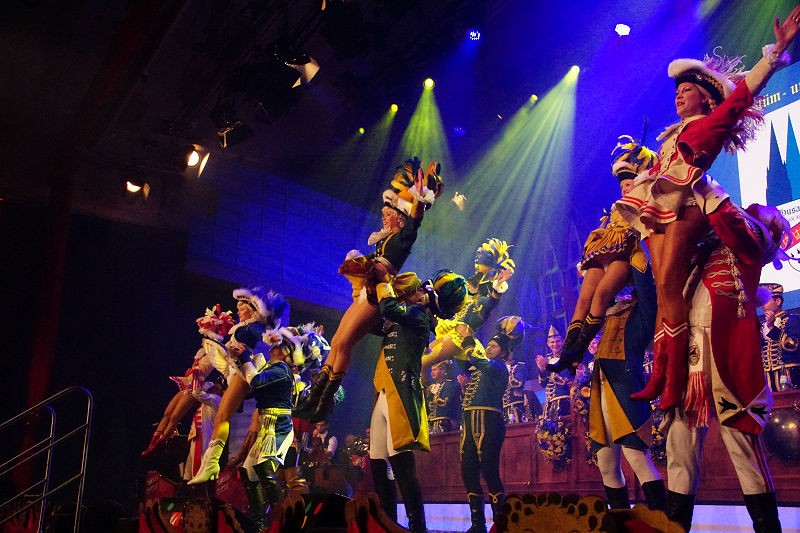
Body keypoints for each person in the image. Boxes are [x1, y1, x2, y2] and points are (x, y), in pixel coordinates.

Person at [616, 8, 800, 411]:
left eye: (687, 89)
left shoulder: (711, 121)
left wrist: (774, 54)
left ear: (705, 96)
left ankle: (673, 379)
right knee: (664, 290)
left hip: (692, 201)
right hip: (660, 204)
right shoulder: (671, 134)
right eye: (677, 91)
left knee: (668, 285)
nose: (679, 95)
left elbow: (743, 94)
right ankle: (662, 373)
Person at [664, 200, 790, 532]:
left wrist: (700, 180)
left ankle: (767, 527)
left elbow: (728, 218)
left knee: (742, 444)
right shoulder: (704, 253)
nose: (749, 211)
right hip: (691, 351)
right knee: (680, 442)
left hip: (727, 357)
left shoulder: (750, 243)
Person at [295, 158, 443, 423]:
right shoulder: (384, 240)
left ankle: (323, 403)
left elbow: (416, 219)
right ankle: (313, 399)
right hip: (366, 292)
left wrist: (420, 197)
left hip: (376, 297)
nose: (383, 216)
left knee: (344, 344)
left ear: (399, 217)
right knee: (336, 343)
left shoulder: (403, 237)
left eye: (388, 213)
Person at [369, 269, 468, 533]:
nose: (414, 292)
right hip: (384, 391)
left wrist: (383, 282)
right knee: (378, 461)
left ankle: (417, 526)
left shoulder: (419, 317)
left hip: (401, 393)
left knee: (400, 462)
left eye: (420, 290)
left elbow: (389, 308)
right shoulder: (409, 316)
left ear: (427, 299)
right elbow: (375, 323)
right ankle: (388, 522)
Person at [549, 137, 656, 373]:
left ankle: (578, 351)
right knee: (583, 301)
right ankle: (567, 354)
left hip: (624, 254)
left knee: (601, 296)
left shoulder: (644, 202)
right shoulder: (616, 208)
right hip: (603, 253)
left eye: (629, 184)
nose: (624, 189)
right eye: (622, 186)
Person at [187, 286, 290, 484]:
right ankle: (210, 465)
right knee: (221, 417)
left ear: (252, 310)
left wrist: (270, 338)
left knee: (223, 417)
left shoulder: (252, 326)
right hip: (237, 369)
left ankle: (212, 464)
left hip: (244, 370)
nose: (238, 310)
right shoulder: (243, 326)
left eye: (242, 307)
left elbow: (261, 334)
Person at [588, 264, 666, 511]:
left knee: (636, 457)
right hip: (601, 391)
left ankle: (662, 522)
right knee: (606, 464)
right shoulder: (608, 312)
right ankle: (622, 521)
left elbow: (645, 284)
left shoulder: (643, 310)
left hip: (627, 390)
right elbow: (598, 295)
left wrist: (633, 253)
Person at [141, 305, 235, 457]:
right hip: (188, 384)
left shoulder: (215, 352)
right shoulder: (203, 351)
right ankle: (153, 443)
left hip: (195, 387)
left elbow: (212, 368)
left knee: (175, 417)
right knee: (167, 413)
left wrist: (198, 374)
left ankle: (159, 445)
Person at [421, 238, 515, 371]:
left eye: (482, 257)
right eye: (478, 256)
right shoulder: (465, 285)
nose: (477, 259)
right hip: (449, 330)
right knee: (420, 362)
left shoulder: (484, 297)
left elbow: (492, 302)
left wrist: (499, 285)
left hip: (459, 338)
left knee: (421, 364)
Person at [456, 333, 512, 533]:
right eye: (488, 345)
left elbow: (480, 361)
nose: (489, 348)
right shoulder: (481, 366)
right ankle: (478, 524)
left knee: (489, 470)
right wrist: (457, 341)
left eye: (494, 346)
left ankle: (500, 524)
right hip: (469, 420)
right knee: (468, 470)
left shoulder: (498, 366)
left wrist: (469, 342)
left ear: (503, 352)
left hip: (489, 421)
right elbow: (462, 361)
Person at [758, 283, 800, 391]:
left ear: (778, 301)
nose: (762, 306)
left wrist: (772, 327)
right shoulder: (761, 325)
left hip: (790, 374)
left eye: (766, 301)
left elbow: (793, 345)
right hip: (767, 377)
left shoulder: (793, 320)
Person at [536, 326, 574, 418]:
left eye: (558, 341)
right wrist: (542, 370)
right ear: (548, 343)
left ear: (562, 341)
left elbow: (566, 379)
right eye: (552, 342)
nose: (555, 344)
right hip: (550, 403)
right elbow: (543, 384)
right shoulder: (547, 358)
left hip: (565, 400)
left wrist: (548, 368)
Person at [425, 360, 462, 433]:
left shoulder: (449, 385)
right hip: (430, 423)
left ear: (443, 371)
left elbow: (445, 402)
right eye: (432, 370)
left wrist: (432, 395)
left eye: (435, 369)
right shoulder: (431, 386)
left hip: (443, 423)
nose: (432, 372)